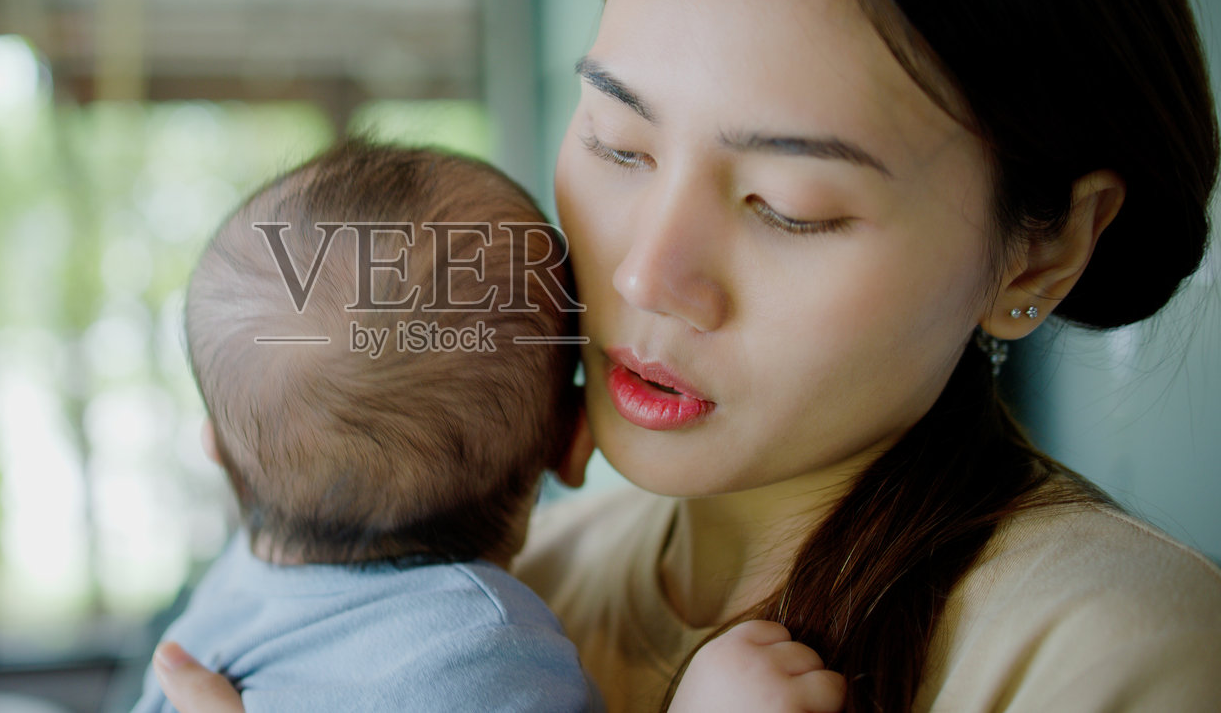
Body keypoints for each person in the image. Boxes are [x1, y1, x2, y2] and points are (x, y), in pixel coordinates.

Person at [151, 0, 1221, 711]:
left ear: (1039, 252)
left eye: (788, 205)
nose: (640, 274)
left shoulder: (1114, 658)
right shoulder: (503, 586)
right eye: (617, 145)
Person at [133, 139, 844, 713]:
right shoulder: (480, 656)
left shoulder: (221, 610)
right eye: (622, 148)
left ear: (218, 455)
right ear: (574, 440)